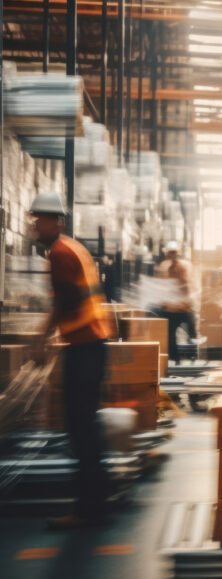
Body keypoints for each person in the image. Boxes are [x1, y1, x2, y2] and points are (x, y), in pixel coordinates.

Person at [30, 192, 113, 528]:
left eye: (41, 218)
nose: (35, 224)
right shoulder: (71, 248)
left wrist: (41, 341)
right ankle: (96, 502)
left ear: (58, 221)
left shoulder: (61, 254)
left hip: (86, 346)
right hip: (90, 344)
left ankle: (88, 510)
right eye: (34, 217)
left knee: (81, 429)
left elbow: (65, 305)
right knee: (85, 428)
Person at [155, 240, 198, 363]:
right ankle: (175, 358)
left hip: (183, 306)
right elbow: (161, 284)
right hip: (171, 308)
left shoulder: (184, 266)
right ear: (167, 254)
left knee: (191, 328)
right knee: (170, 335)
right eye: (170, 253)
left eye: (174, 253)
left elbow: (187, 284)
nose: (172, 255)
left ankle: (192, 353)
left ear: (178, 253)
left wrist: (186, 301)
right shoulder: (164, 266)